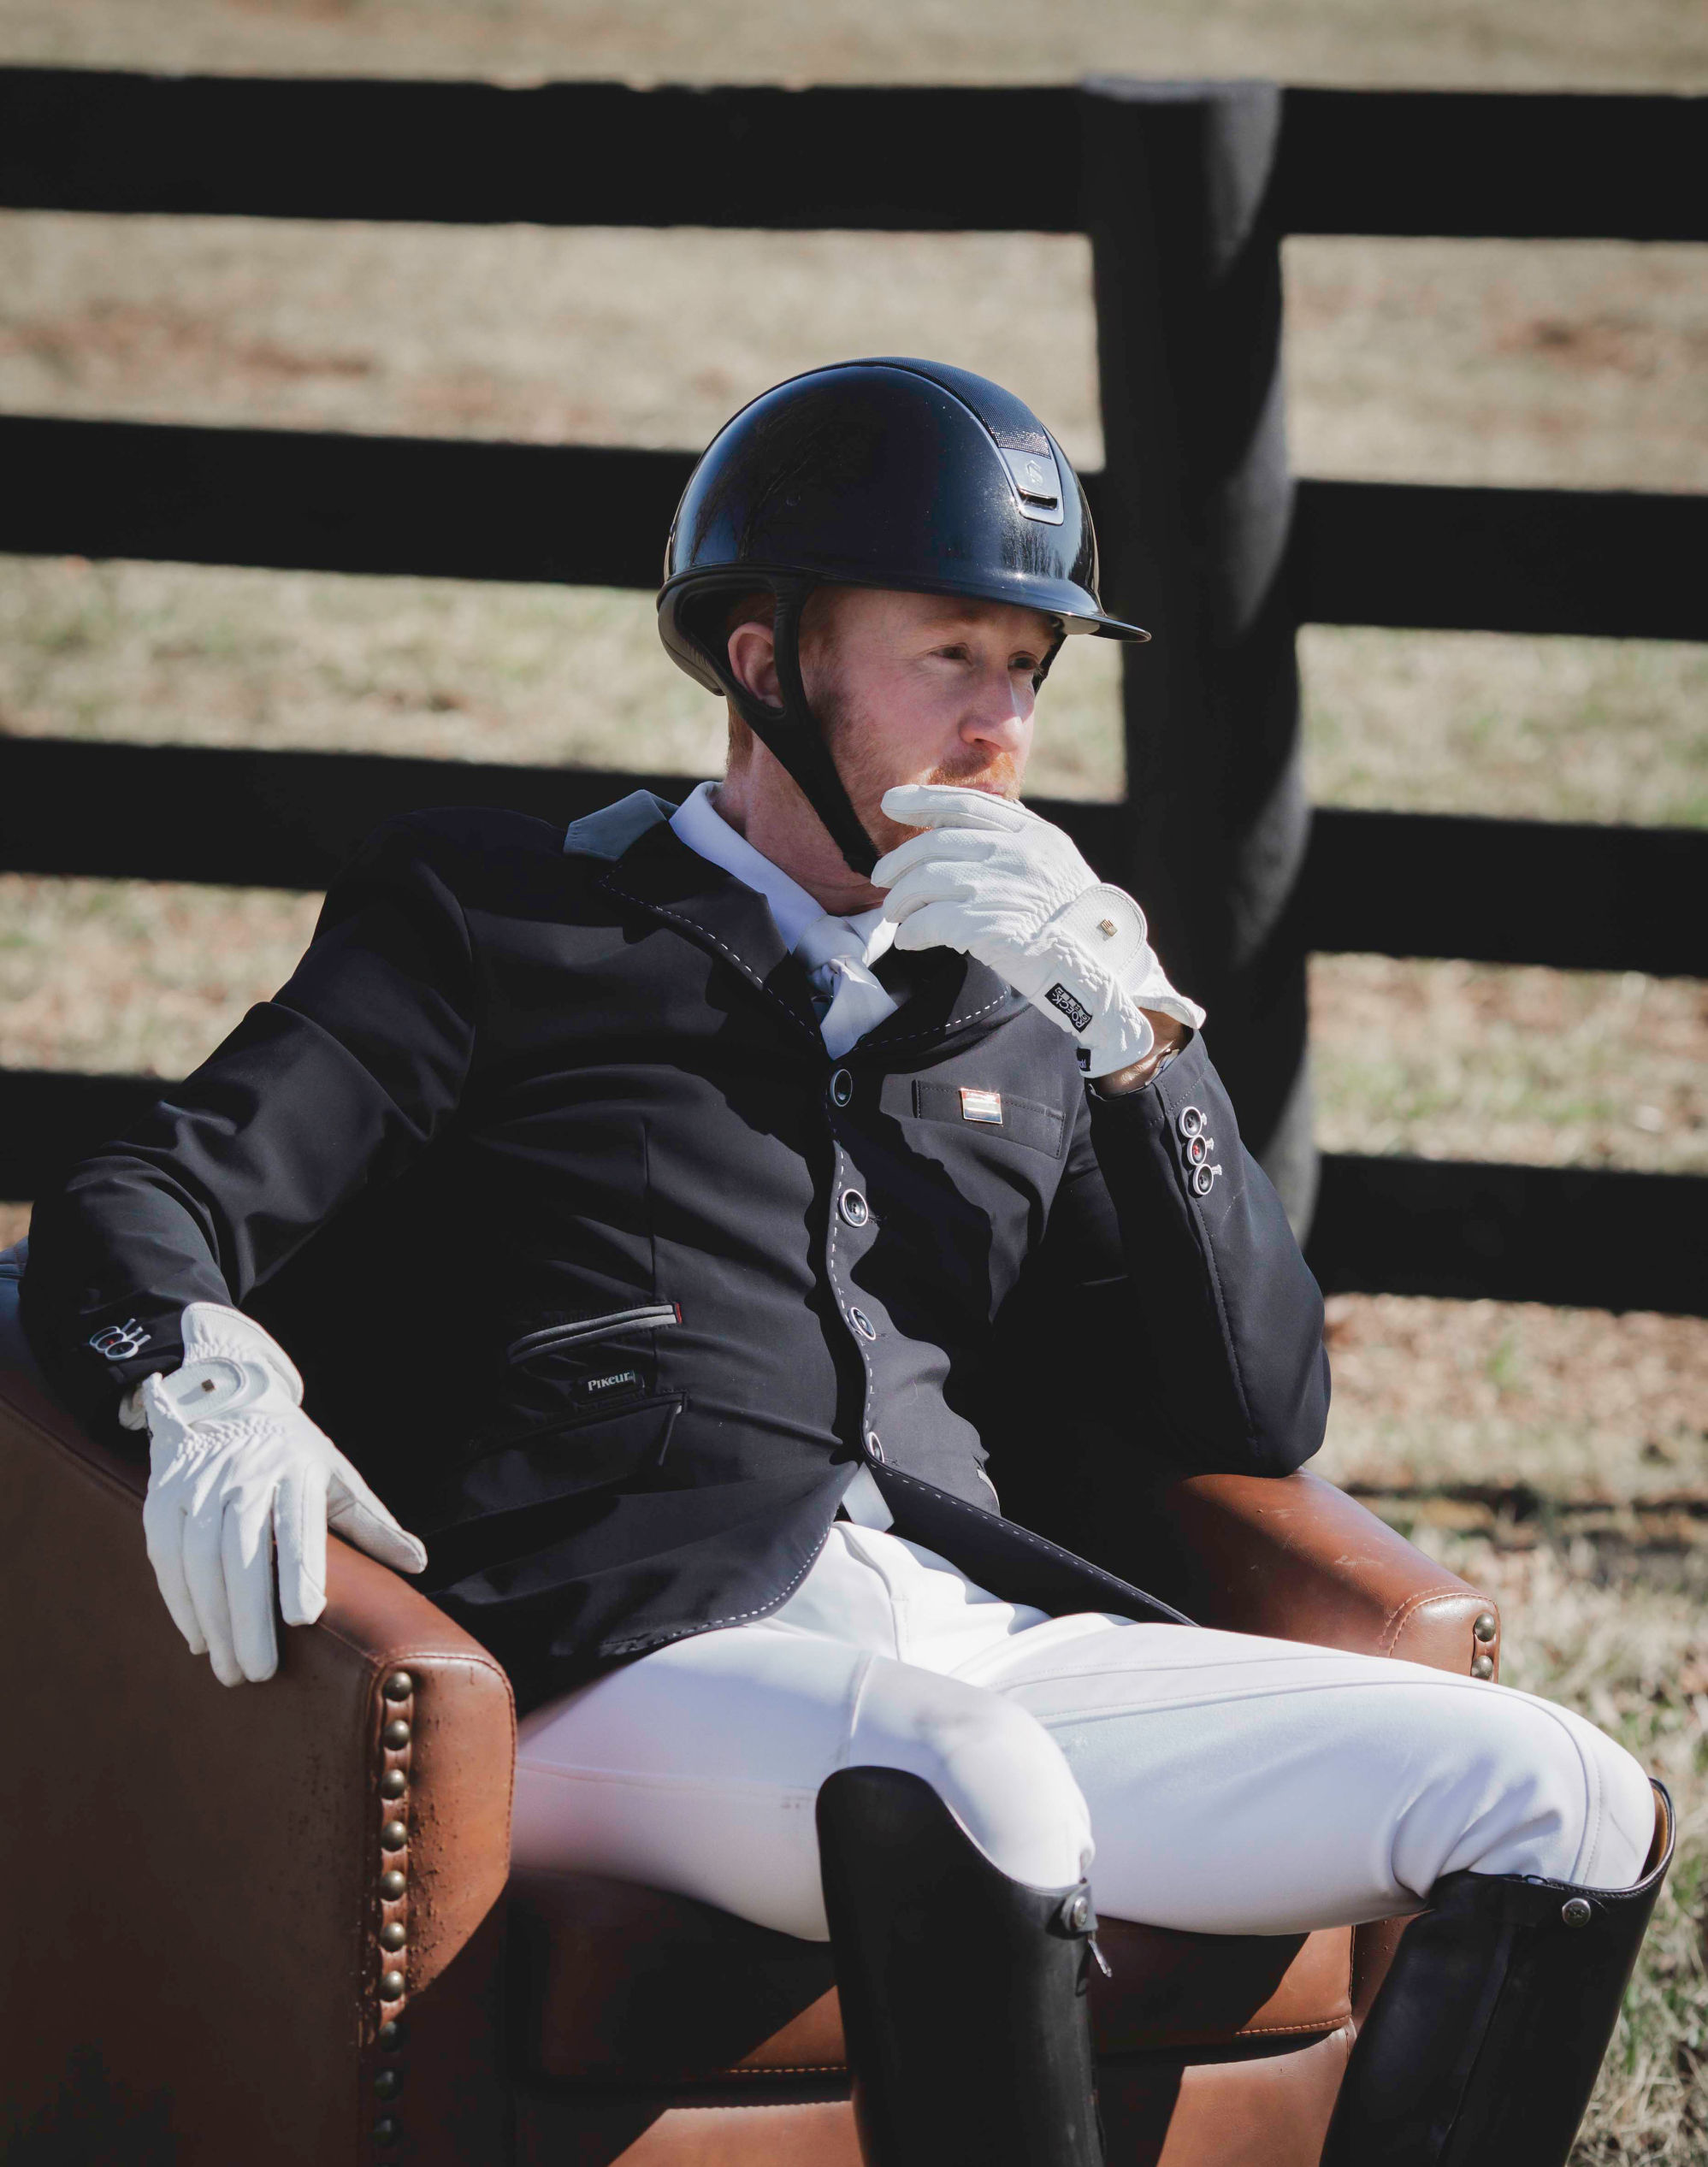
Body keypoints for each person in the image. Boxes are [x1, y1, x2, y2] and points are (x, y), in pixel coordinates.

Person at [21, 358, 1670, 2167]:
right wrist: (196, 1373)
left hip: (973, 1641)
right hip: (614, 1660)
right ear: (765, 660)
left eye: (1028, 667)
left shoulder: (1031, 1009)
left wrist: (1143, 1046)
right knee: (965, 1779)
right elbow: (146, 1195)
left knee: (1559, 1794)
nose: (1001, 720)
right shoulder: (497, 919)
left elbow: (1257, 1411)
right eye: (950, 652)